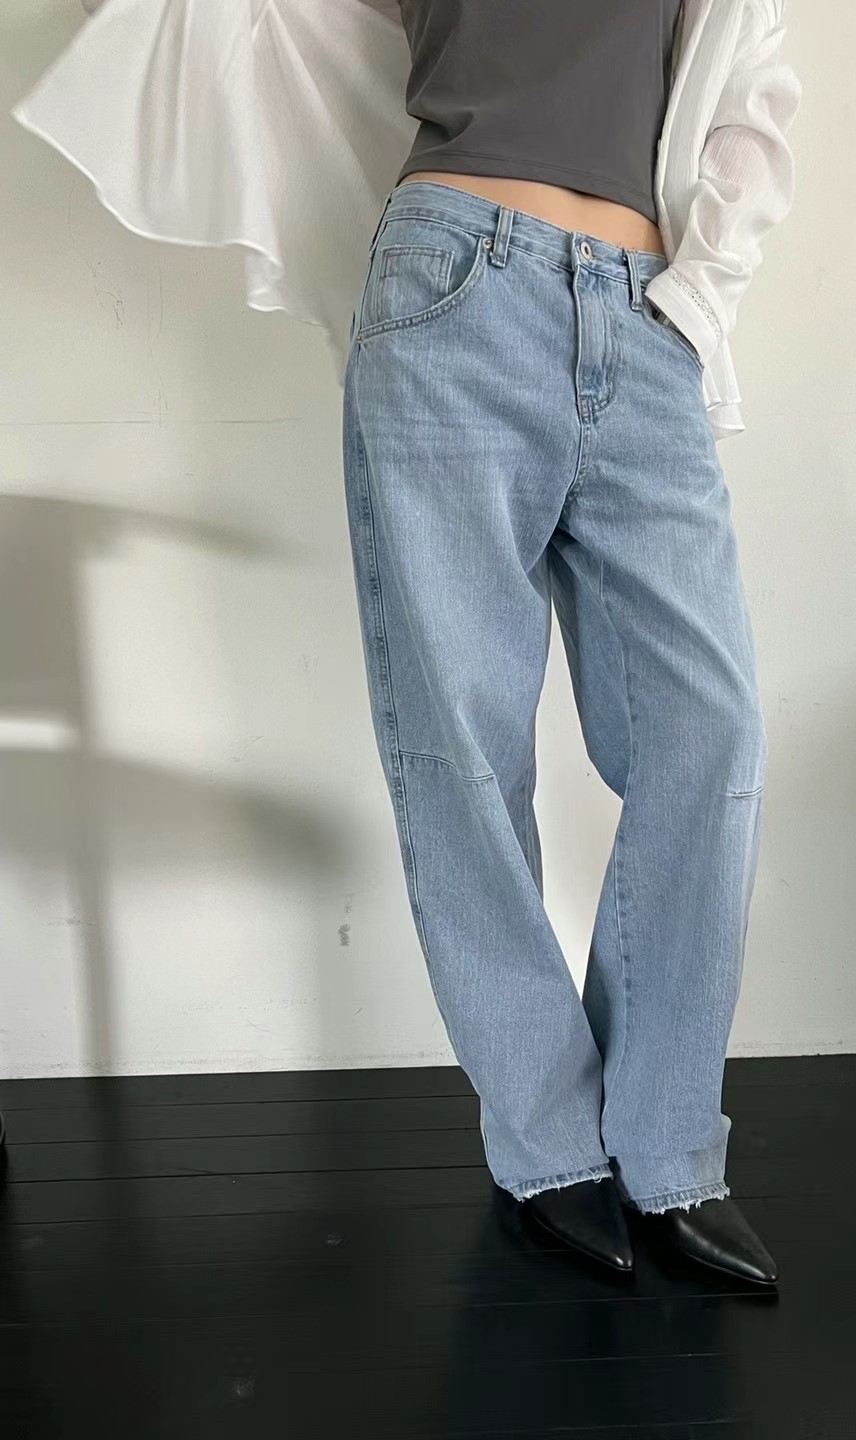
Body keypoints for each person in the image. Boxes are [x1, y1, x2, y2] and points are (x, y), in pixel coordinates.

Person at [13, 0, 801, 1283]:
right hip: (453, 288)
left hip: (645, 311)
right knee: (463, 754)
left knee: (708, 737)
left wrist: (696, 303)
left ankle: (664, 1145)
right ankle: (548, 1142)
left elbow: (751, 99)